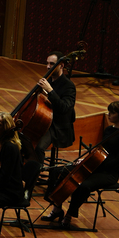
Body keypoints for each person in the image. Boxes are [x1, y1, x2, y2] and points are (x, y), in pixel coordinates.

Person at [45, 100, 119, 230]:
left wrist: (95, 165)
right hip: (94, 166)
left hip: (108, 173)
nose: (108, 115)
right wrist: (86, 160)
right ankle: (57, 208)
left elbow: (118, 162)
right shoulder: (109, 130)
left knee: (83, 185)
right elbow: (100, 151)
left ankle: (69, 215)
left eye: (112, 113)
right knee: (60, 171)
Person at [23, 50, 76, 195]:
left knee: (38, 147)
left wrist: (50, 91)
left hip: (58, 126)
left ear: (61, 65)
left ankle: (32, 181)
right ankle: (24, 174)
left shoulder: (69, 86)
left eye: (52, 64)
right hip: (44, 121)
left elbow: (64, 108)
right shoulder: (48, 81)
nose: (48, 67)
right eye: (47, 63)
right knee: (24, 139)